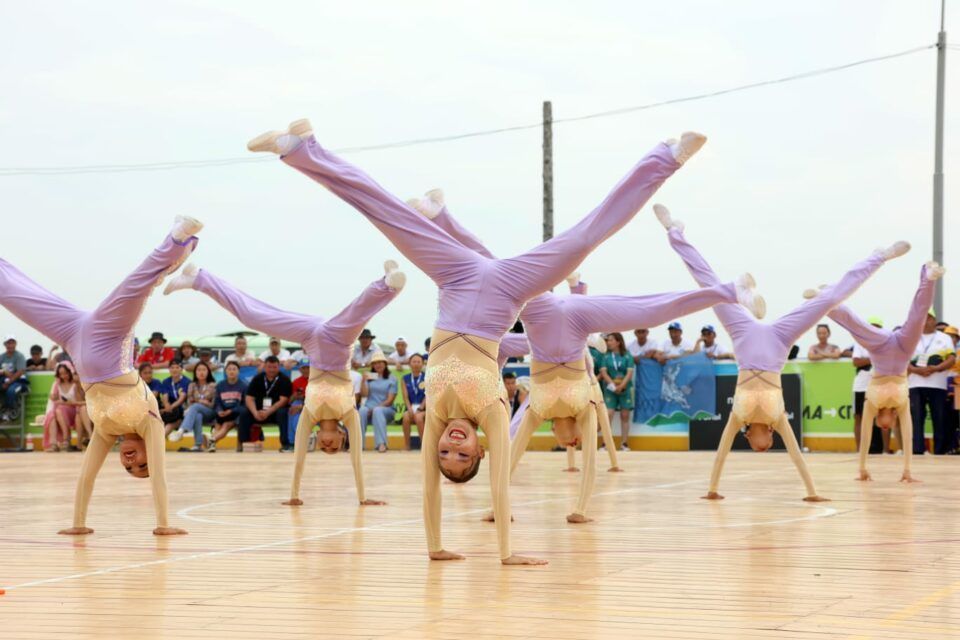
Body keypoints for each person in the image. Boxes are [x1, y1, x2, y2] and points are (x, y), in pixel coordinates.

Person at [250, 117, 706, 563]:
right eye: (461, 454)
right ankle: (667, 157)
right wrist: (506, 553)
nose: (451, 444)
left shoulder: (434, 417)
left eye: (445, 453)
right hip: (509, 289)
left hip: (456, 276)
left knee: (386, 213)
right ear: (479, 450)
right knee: (586, 237)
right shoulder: (493, 413)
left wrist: (435, 547)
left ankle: (302, 148)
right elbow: (500, 488)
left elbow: (428, 489)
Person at [654, 203, 906, 501]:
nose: (761, 447)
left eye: (755, 446)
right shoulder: (777, 418)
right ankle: (878, 256)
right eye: (766, 447)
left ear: (749, 436)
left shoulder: (738, 417)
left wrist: (712, 490)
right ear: (772, 436)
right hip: (778, 341)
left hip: (744, 337)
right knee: (829, 301)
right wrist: (812, 492)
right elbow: (797, 455)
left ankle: (676, 233)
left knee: (708, 284)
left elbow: (721, 454)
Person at [0, 215, 199, 535]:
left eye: (130, 468)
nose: (132, 461)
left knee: (12, 295)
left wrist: (78, 525)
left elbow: (86, 477)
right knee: (138, 285)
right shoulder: (151, 423)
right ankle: (178, 238)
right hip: (110, 338)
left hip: (72, 337)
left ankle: (176, 252)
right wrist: (163, 525)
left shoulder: (106, 431)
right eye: (142, 464)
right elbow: (160, 478)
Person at [164, 258, 401, 504]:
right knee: (359, 314)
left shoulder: (310, 414)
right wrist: (363, 498)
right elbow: (357, 460)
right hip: (338, 341)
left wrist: (294, 496)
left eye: (324, 448)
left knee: (252, 318)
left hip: (310, 336)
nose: (328, 445)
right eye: (334, 447)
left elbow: (299, 457)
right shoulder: (349, 414)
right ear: (343, 437)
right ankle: (389, 283)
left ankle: (198, 278)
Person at [821, 262, 945, 480]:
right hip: (904, 350)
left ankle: (825, 298)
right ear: (893, 417)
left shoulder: (872, 404)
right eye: (888, 426)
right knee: (918, 316)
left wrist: (862, 467)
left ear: (878, 419)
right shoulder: (901, 405)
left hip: (881, 348)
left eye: (882, 426)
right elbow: (907, 434)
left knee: (857, 327)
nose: (885, 426)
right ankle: (929, 277)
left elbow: (866, 434)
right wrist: (907, 471)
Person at [906, 309, 956, 454]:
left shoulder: (944, 338)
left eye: (928, 318)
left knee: (939, 418)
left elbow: (951, 359)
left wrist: (936, 368)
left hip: (938, 385)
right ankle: (917, 451)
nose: (925, 320)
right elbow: (903, 359)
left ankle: (939, 451)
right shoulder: (911, 337)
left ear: (934, 320)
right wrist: (916, 370)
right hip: (915, 384)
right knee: (916, 418)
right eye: (922, 317)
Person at [848, 317, 893, 454]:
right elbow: (856, 362)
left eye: (877, 327)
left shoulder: (887, 343)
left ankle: (886, 450)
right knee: (859, 417)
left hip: (881, 384)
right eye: (872, 326)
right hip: (861, 385)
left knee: (884, 416)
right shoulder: (860, 342)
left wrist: (870, 359)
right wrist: (874, 358)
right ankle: (859, 450)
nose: (874, 329)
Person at [600, 332, 636, 451]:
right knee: (608, 414)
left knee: (625, 415)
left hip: (625, 389)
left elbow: (629, 373)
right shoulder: (606, 356)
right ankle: (605, 443)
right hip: (610, 389)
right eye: (608, 340)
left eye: (611, 340)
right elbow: (604, 372)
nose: (608, 342)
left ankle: (624, 443)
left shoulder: (627, 356)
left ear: (618, 342)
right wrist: (613, 385)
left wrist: (621, 386)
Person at [173, 361, 217, 451]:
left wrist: (200, 402)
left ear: (208, 372)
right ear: (195, 372)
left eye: (204, 370)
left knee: (195, 407)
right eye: (199, 370)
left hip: (210, 412)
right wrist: (202, 402)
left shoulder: (213, 385)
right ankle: (198, 445)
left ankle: (182, 430)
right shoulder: (192, 385)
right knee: (197, 415)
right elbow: (190, 402)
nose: (201, 372)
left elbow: (214, 404)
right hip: (195, 412)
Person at [359, 351, 398, 452]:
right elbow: (364, 395)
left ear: (385, 364)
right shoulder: (370, 377)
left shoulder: (392, 378)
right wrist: (363, 381)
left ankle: (381, 444)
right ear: (372, 365)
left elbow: (390, 400)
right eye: (375, 363)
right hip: (369, 408)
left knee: (377, 411)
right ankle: (359, 444)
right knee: (362, 410)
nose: (378, 365)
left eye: (380, 362)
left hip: (386, 410)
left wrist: (375, 408)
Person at [42, 362, 84, 452]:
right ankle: (61, 441)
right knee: (55, 413)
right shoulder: (57, 384)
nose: (63, 376)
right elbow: (54, 399)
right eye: (61, 374)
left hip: (75, 410)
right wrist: (54, 397)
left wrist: (66, 403)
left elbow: (79, 401)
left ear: (70, 372)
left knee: (59, 409)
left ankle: (66, 439)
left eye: (65, 373)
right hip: (62, 412)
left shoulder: (75, 383)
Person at [209, 361, 247, 452]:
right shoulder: (220, 385)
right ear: (225, 371)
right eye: (229, 369)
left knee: (226, 425)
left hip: (236, 414)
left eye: (234, 369)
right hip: (222, 413)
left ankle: (211, 439)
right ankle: (212, 444)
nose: (231, 371)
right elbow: (217, 402)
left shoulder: (244, 386)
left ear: (238, 371)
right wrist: (219, 410)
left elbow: (245, 405)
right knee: (218, 425)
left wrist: (231, 411)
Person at [401, 353, 427, 449]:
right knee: (406, 417)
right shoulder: (405, 378)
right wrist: (409, 408)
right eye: (414, 361)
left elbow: (428, 395)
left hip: (424, 408)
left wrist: (421, 408)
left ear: (423, 364)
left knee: (418, 417)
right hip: (411, 407)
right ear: (409, 364)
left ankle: (424, 446)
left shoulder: (428, 377)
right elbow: (405, 397)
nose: (416, 364)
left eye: (418, 362)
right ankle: (407, 445)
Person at [159, 360, 190, 438]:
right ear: (169, 369)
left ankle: (156, 442)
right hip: (170, 412)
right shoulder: (166, 381)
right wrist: (166, 406)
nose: (174, 370)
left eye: (177, 367)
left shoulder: (187, 381)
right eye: (172, 368)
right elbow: (165, 396)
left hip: (181, 411)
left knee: (170, 425)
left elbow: (181, 399)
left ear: (181, 369)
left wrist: (170, 408)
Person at [0, 336, 28, 420]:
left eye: (12, 343)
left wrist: (8, 381)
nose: (10, 345)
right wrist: (4, 372)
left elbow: (20, 372)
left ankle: (12, 411)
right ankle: (3, 409)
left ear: (15, 344)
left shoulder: (20, 356)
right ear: (5, 345)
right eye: (8, 343)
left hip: (19, 382)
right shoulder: (2, 357)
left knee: (11, 391)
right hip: (4, 380)